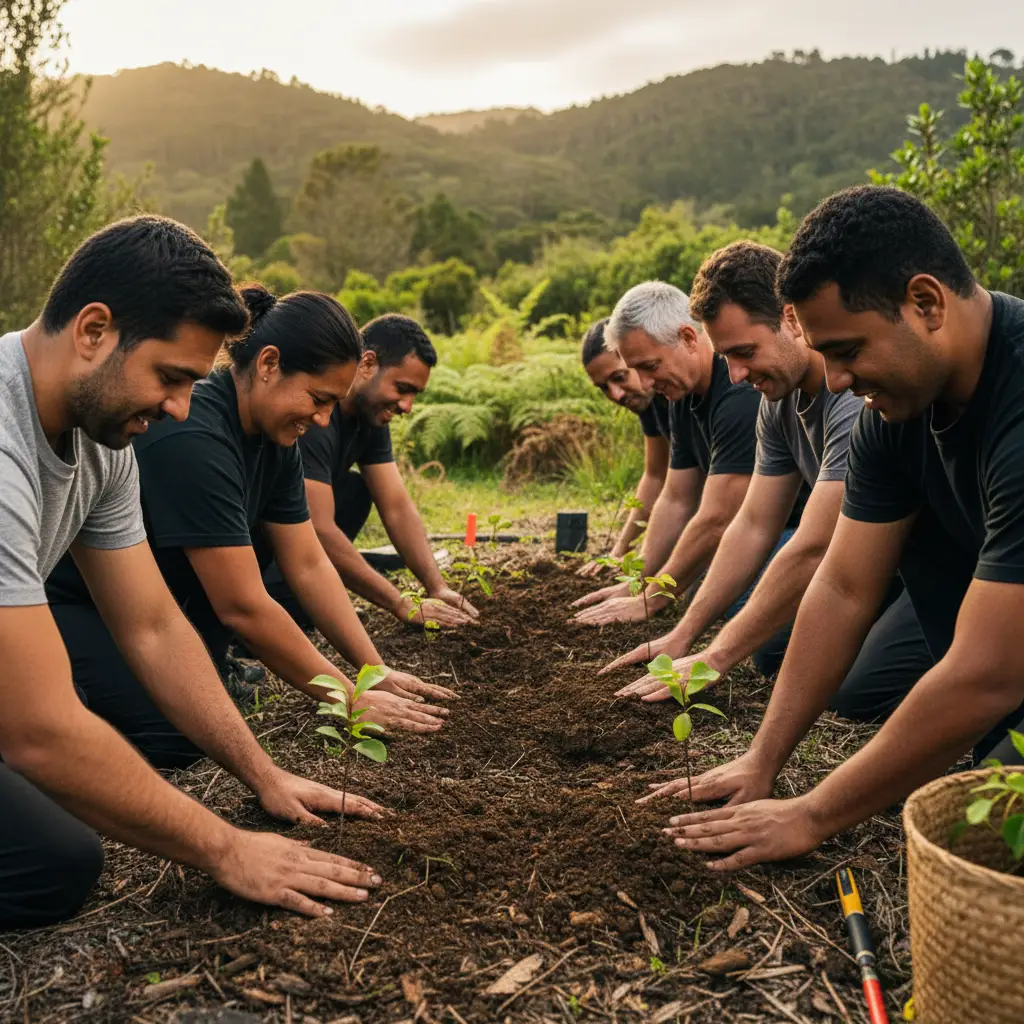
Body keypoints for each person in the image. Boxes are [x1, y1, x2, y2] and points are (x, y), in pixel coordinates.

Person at [1, 216, 382, 929]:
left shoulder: (105, 444)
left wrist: (263, 775)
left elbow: (150, 625)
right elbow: (39, 728)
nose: (180, 406)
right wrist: (225, 848)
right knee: (51, 863)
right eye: (171, 378)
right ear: (93, 331)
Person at [652, 185, 1024, 871]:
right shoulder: (895, 413)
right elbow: (844, 585)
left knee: (985, 842)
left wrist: (810, 815)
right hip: (1001, 672)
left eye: (849, 350)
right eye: (826, 353)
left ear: (926, 303)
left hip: (1003, 671)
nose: (839, 380)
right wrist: (763, 760)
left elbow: (989, 672)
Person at [47, 287, 453, 767]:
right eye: (318, 399)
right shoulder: (195, 436)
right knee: (178, 744)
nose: (325, 421)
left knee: (208, 715)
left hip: (172, 605)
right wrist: (346, 697)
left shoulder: (277, 440)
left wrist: (373, 672)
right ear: (268, 365)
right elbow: (242, 606)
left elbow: (307, 563)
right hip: (82, 607)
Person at [603, 241, 933, 720]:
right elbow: (753, 524)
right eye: (727, 358)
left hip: (913, 562)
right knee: (769, 653)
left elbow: (814, 545)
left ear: (791, 319)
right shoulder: (776, 402)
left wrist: (715, 657)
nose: (735, 376)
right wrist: (683, 634)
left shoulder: (850, 397)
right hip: (864, 564)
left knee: (857, 696)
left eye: (744, 353)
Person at [574, 281, 796, 627]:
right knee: (693, 584)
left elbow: (718, 518)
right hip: (749, 528)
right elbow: (675, 498)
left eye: (650, 366)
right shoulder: (682, 393)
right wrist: (639, 583)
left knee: (723, 598)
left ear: (689, 339)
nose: (645, 384)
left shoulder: (738, 395)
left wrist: (652, 599)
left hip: (789, 527)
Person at [263, 314, 478, 630]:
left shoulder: (371, 415)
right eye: (402, 388)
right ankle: (270, 601)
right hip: (256, 534)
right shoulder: (316, 418)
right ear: (367, 363)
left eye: (415, 395)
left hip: (295, 539)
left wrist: (436, 586)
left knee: (356, 490)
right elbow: (319, 527)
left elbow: (396, 506)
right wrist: (398, 602)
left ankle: (295, 597)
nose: (408, 406)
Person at [576, 317, 671, 577]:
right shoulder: (649, 405)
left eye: (619, 377)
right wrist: (619, 552)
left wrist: (643, 567)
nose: (615, 395)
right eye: (603, 388)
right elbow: (655, 475)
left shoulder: (677, 394)